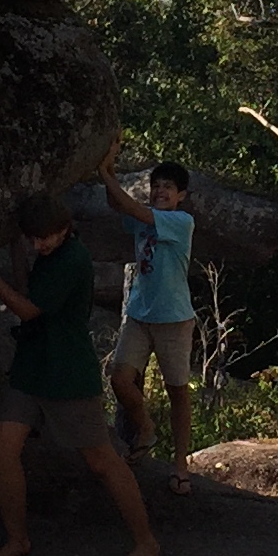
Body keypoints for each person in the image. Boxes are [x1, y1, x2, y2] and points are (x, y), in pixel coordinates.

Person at [0, 189, 161, 556]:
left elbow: (28, 309)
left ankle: (146, 543)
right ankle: (17, 539)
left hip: (67, 373)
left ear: (65, 228)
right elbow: (29, 288)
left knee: (102, 460)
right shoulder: (49, 252)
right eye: (34, 238)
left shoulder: (73, 258)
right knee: (3, 447)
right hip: (32, 367)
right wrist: (18, 247)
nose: (41, 244)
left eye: (46, 237)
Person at [102, 133, 199, 481]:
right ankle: (145, 428)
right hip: (140, 315)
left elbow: (129, 206)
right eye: (156, 186)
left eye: (167, 187)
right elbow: (118, 207)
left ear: (181, 195)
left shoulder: (179, 221)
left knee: (178, 393)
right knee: (120, 379)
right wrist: (108, 167)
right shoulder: (146, 218)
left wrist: (104, 172)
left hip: (173, 319)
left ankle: (181, 466)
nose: (160, 192)